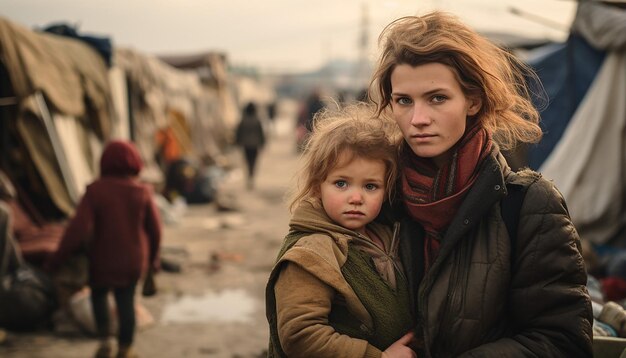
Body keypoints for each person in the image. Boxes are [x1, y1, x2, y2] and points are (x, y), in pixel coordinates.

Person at [367, 11, 593, 357]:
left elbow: (562, 341)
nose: (418, 119)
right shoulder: (377, 196)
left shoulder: (528, 204)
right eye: (404, 101)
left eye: (437, 98)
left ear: (473, 100)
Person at [265, 103, 417, 358]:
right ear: (316, 187)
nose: (356, 197)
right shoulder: (311, 253)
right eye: (341, 183)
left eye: (370, 186)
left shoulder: (385, 234)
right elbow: (301, 336)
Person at [45, 140, 162, 358]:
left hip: (102, 260)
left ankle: (105, 342)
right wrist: (154, 262)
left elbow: (76, 230)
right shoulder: (143, 192)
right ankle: (125, 348)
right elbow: (156, 231)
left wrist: (56, 260)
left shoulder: (95, 191)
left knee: (99, 297)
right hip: (133, 261)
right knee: (126, 302)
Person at [235, 102, 266, 190]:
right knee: (253, 161)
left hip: (246, 145)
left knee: (247, 160)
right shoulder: (257, 120)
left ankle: (249, 176)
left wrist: (238, 142)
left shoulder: (243, 120)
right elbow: (261, 133)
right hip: (255, 144)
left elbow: (238, 133)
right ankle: (251, 175)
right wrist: (262, 143)